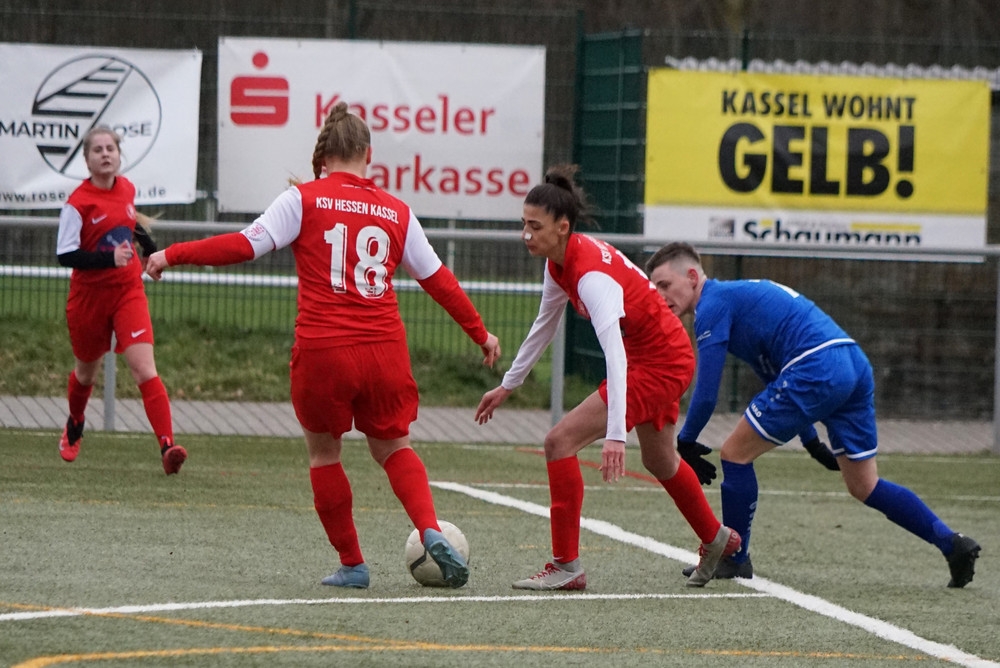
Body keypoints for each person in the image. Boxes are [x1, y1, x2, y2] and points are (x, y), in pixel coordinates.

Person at [146, 102, 500, 590]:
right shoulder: (397, 211)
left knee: (324, 454)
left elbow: (243, 245)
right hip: (385, 351)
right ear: (368, 155)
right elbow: (438, 280)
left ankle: (353, 565)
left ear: (323, 156)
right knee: (394, 448)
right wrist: (480, 333)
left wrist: (171, 253)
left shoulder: (303, 199)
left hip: (325, 349)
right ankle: (429, 527)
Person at [645, 241, 981, 587]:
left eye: (665, 285)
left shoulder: (712, 304)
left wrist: (686, 440)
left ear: (692, 276)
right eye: (654, 288)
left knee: (734, 454)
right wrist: (811, 443)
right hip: (851, 363)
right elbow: (774, 375)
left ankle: (734, 558)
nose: (660, 295)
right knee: (864, 485)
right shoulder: (735, 296)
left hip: (816, 366)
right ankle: (953, 544)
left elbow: (706, 392)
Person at [474, 165, 738, 590]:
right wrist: (508, 384)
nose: (526, 234)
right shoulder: (558, 263)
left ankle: (566, 566)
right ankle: (715, 537)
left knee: (559, 442)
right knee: (660, 460)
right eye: (524, 224)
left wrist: (616, 434)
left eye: (535, 226)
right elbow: (544, 326)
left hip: (660, 362)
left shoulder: (591, 276)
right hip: (655, 355)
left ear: (562, 228)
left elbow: (614, 354)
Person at [55, 125, 187, 475]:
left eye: (110, 148)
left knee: (144, 368)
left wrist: (151, 251)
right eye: (97, 150)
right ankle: (76, 422)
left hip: (128, 291)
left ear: (118, 154)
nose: (105, 154)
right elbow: (65, 255)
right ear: (87, 160)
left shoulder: (126, 188)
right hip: (89, 298)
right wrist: (107, 259)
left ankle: (167, 447)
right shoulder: (77, 204)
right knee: (86, 373)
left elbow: (129, 223)